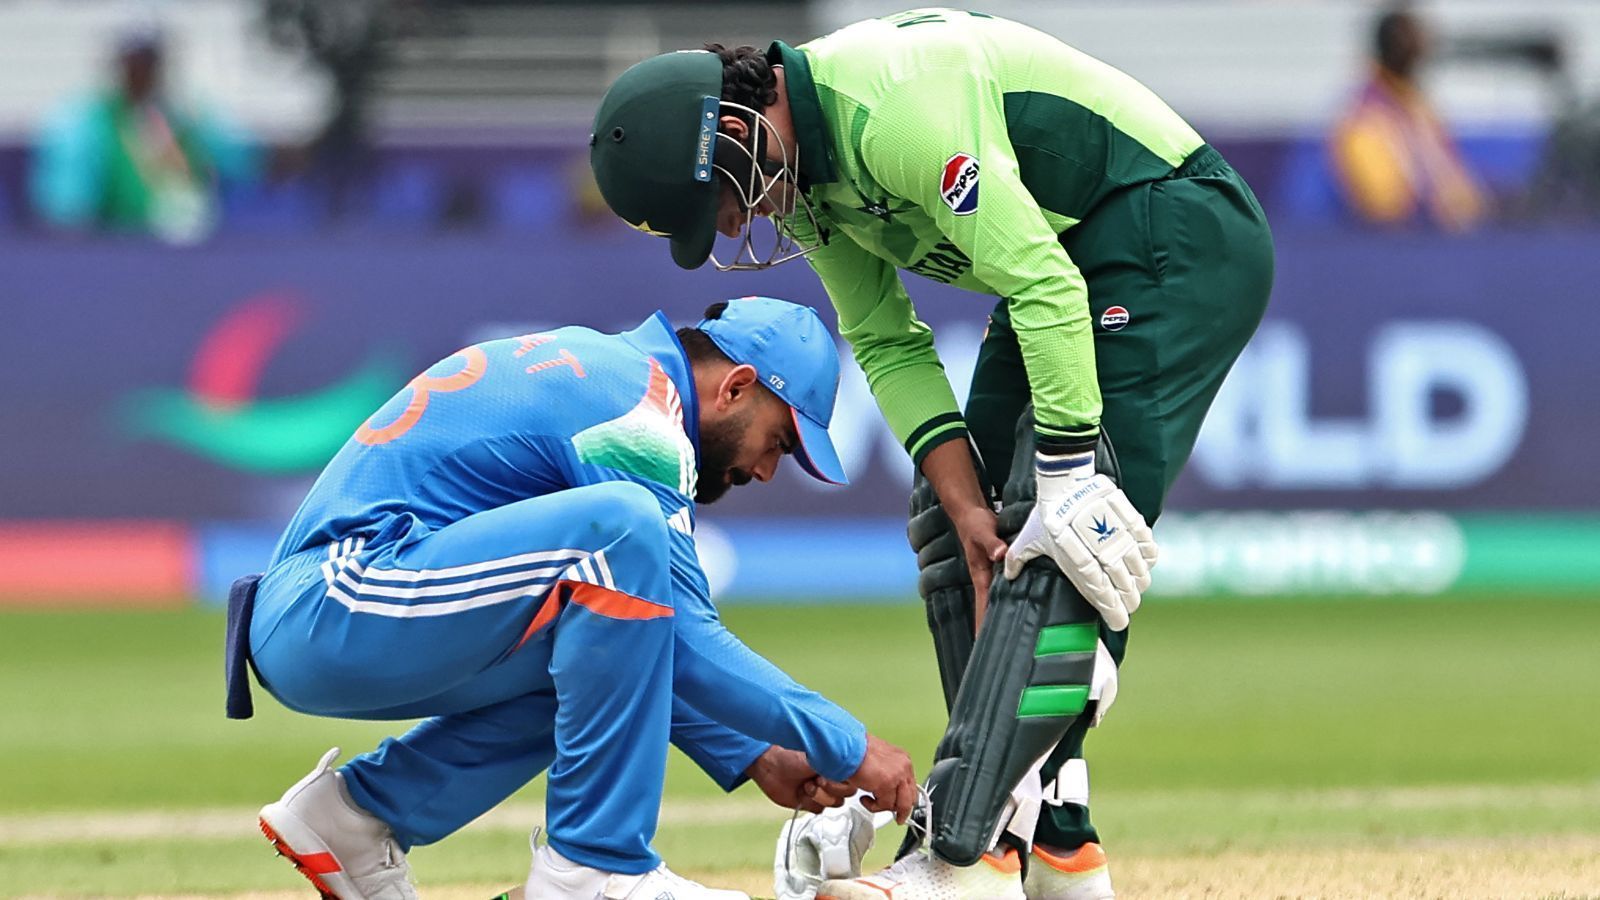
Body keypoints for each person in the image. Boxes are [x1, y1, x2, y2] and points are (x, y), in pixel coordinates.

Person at [590, 9, 1274, 899]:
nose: (728, 226)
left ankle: (968, 857)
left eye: (713, 199)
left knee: (1056, 532)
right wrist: (965, 508)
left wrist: (1066, 488)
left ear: (734, 130)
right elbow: (885, 339)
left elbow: (1036, 280)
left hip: (1171, 232)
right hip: (1071, 258)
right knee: (956, 516)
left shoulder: (893, 111)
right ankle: (1057, 847)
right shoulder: (805, 180)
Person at [228, 297, 918, 900]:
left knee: (594, 640)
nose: (766, 470)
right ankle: (595, 866)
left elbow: (634, 641)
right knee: (624, 530)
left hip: (332, 611)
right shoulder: (638, 409)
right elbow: (687, 637)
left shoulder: (620, 377)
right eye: (780, 441)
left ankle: (358, 817)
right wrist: (848, 743)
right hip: (334, 600)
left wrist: (756, 754)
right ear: (736, 388)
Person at [29, 24, 257, 242]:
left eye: (150, 62)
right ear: (120, 64)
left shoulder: (188, 114)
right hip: (124, 247)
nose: (143, 71)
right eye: (135, 62)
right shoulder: (86, 121)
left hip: (195, 248)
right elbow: (67, 207)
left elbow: (239, 168)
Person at [1328, 5, 1488, 231]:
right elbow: (1381, 204)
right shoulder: (1363, 117)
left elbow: (1453, 175)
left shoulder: (1418, 105)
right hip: (1395, 247)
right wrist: (1442, 205)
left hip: (1437, 236)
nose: (1421, 47)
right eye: (1411, 38)